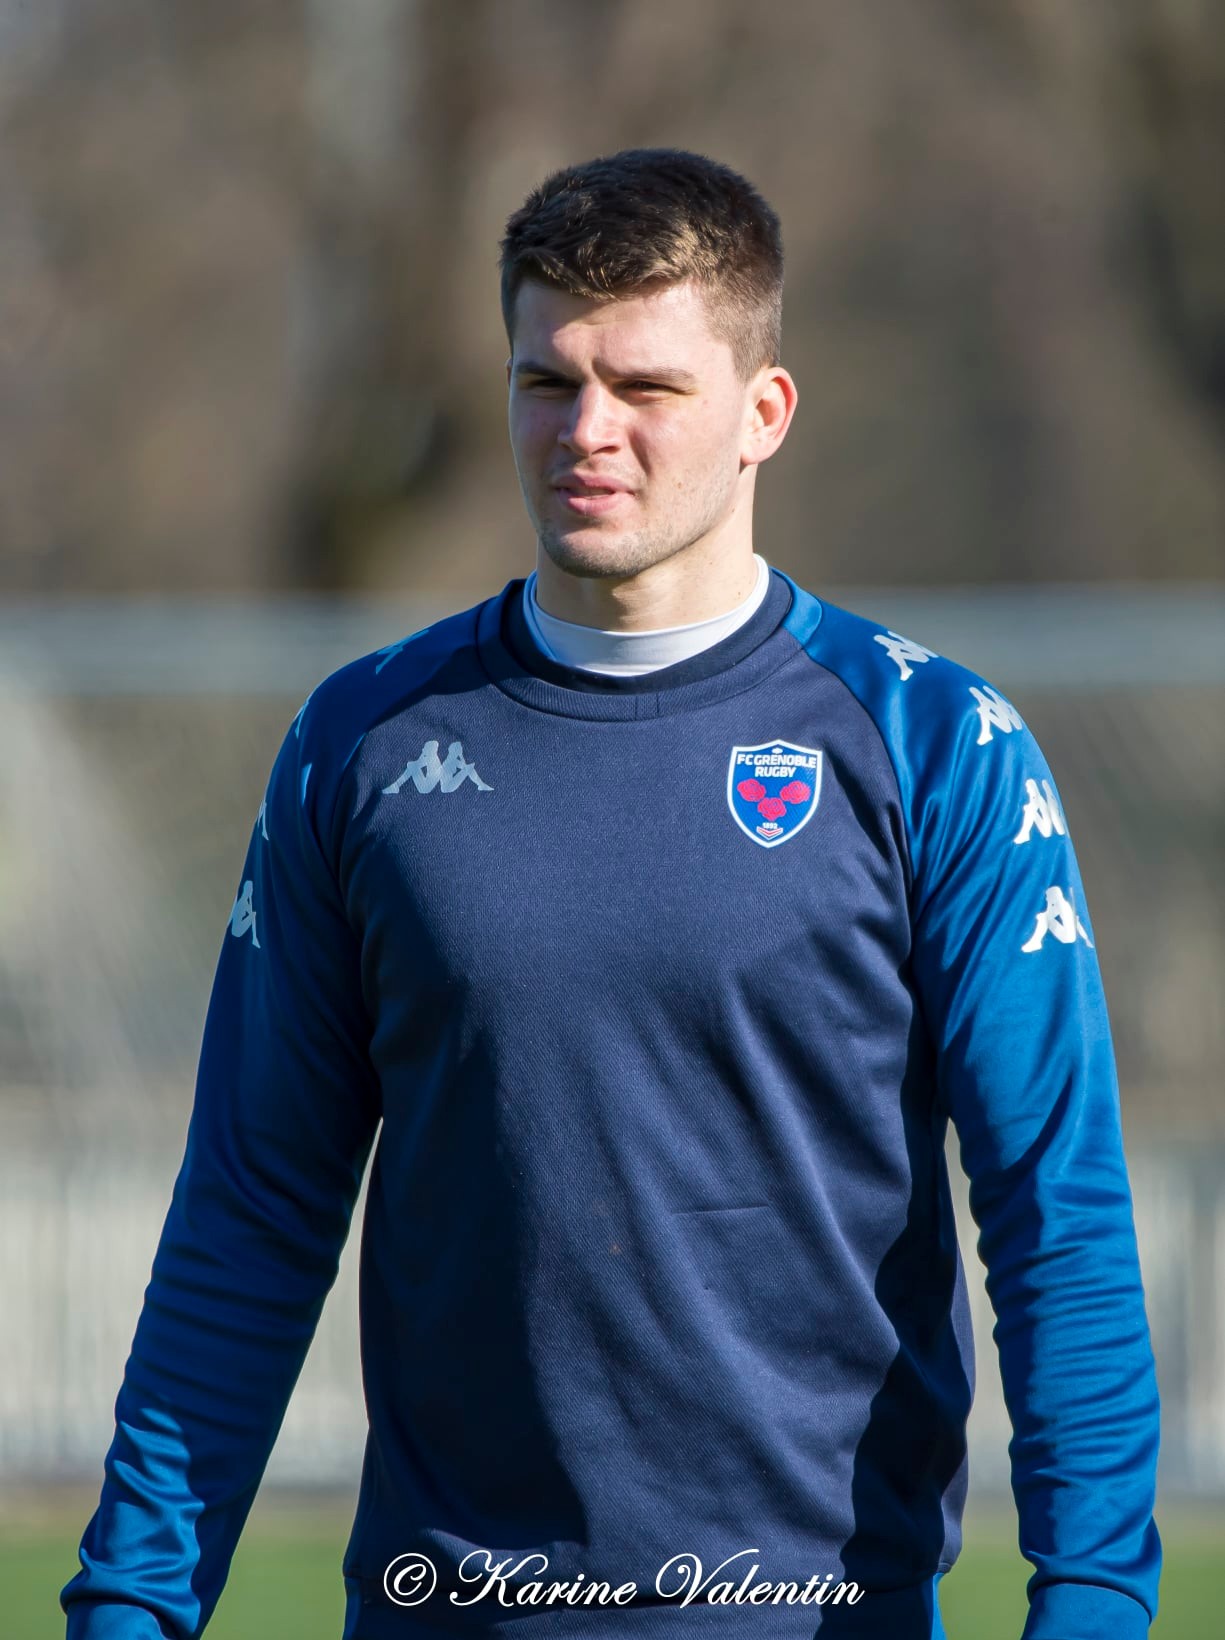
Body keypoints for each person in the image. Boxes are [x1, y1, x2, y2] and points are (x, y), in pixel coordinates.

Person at [61, 147, 1161, 1640]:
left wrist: (1091, 1601)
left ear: (762, 412)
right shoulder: (363, 743)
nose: (587, 432)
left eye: (645, 388)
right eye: (544, 383)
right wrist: (133, 1602)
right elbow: (250, 1213)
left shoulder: (930, 743)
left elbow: (1055, 1208)